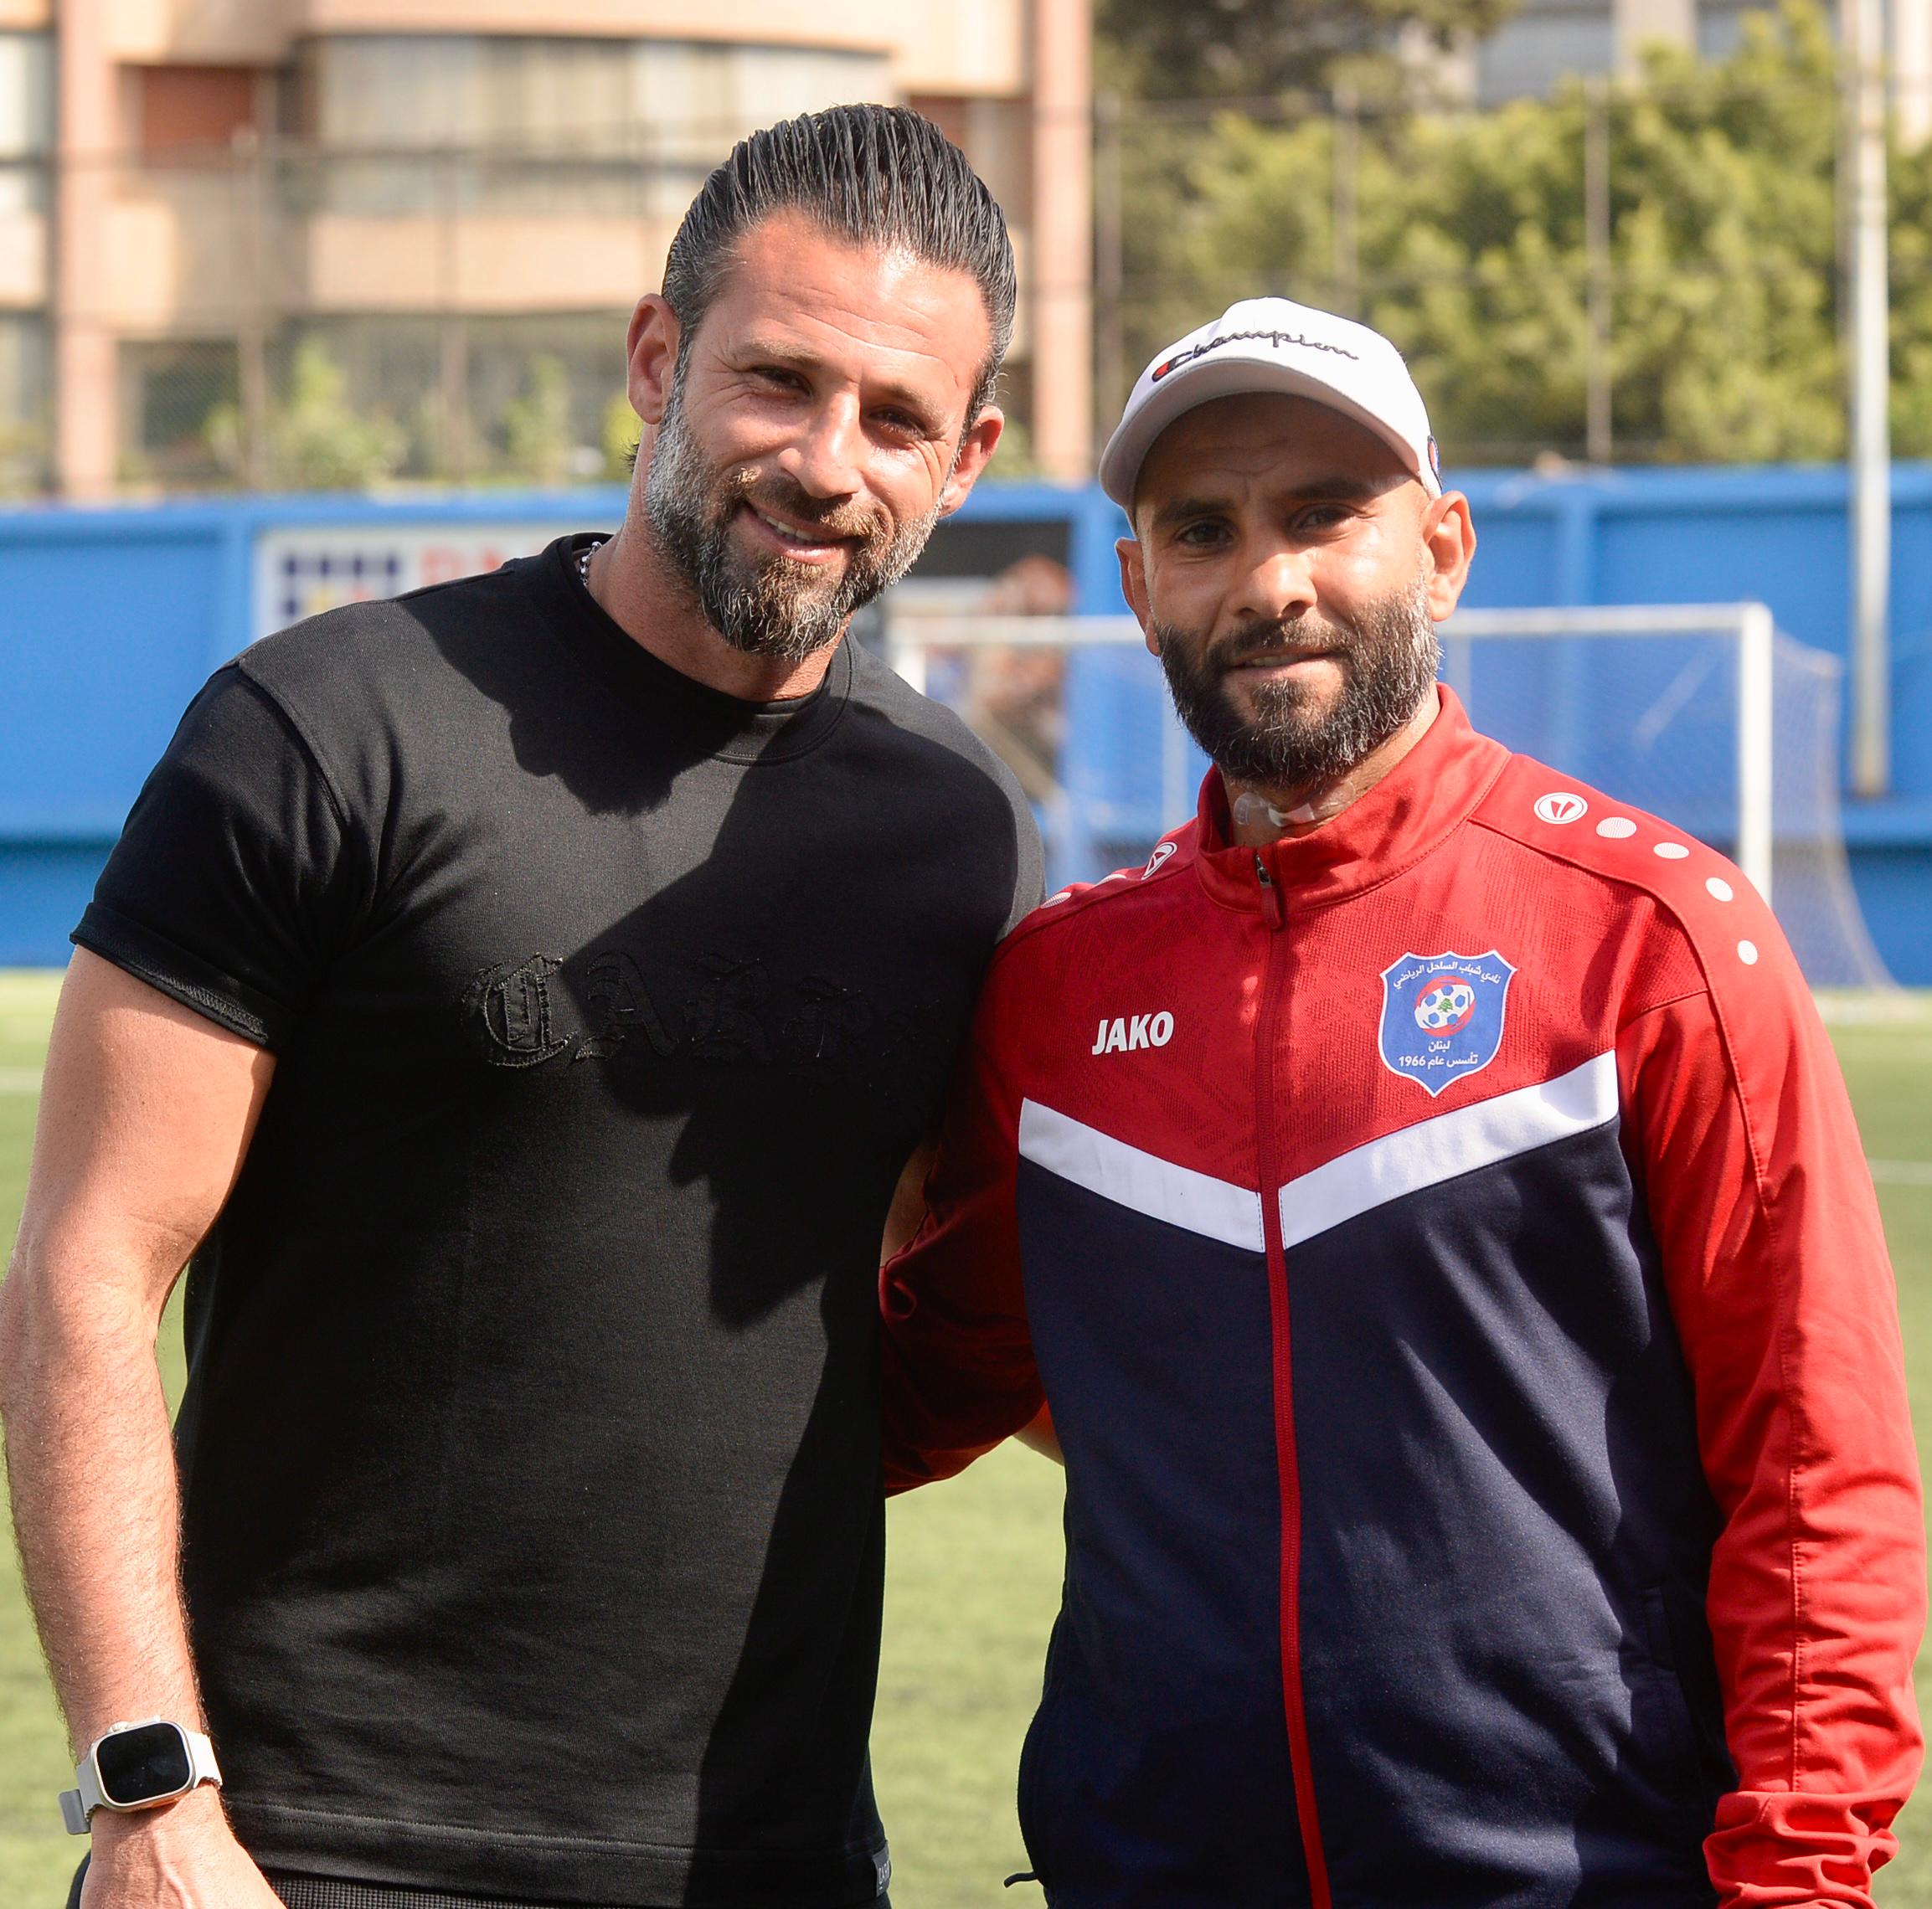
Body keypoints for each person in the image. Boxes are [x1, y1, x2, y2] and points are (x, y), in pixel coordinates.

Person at [0, 105, 1042, 1909]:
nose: (824, 461)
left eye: (894, 419)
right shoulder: (329, 726)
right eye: (775, 381)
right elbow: (86, 1271)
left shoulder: (959, 830)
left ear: (966, 459)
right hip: (309, 1854)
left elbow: (976, 1287)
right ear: (654, 360)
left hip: (775, 1862)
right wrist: (148, 1791)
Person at [878, 295, 1925, 1907]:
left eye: (1324, 515)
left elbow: (1815, 1470)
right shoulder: (1055, 996)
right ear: (1141, 587)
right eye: (1205, 530)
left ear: (1441, 551)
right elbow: (922, 1390)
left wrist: (1798, 1882)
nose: (1269, 582)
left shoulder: (1655, 938)